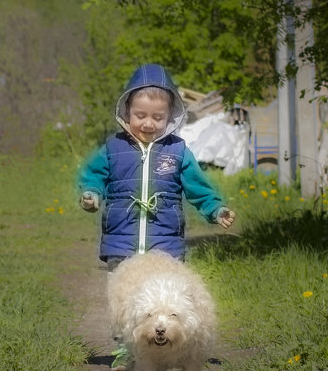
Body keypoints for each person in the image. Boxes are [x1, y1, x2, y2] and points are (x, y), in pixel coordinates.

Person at [78, 63, 235, 271]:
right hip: (121, 245)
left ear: (170, 116)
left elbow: (198, 187)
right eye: (140, 116)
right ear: (127, 111)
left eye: (158, 117)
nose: (149, 124)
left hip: (166, 247)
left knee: (162, 299)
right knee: (124, 298)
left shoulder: (177, 150)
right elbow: (94, 176)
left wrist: (215, 209)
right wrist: (91, 193)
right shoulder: (113, 147)